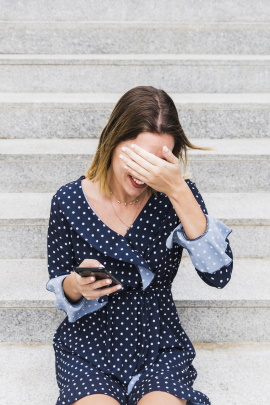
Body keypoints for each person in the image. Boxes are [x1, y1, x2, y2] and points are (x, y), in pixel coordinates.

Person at [46, 86, 233, 405]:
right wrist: (77, 284)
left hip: (157, 338)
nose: (147, 172)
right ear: (114, 141)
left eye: (160, 160)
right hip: (91, 342)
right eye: (139, 156)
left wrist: (177, 189)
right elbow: (61, 283)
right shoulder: (68, 200)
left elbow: (218, 275)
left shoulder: (175, 196)